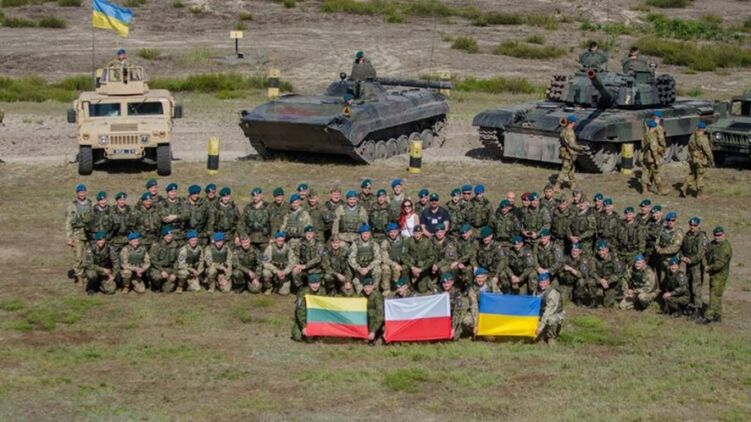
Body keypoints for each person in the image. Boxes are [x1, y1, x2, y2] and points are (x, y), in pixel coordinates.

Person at [697, 226, 732, 324]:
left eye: (719, 235)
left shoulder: (726, 247)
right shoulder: (712, 244)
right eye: (715, 235)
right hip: (713, 274)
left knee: (714, 296)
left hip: (720, 276)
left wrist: (709, 268)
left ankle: (708, 316)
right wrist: (705, 265)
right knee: (716, 295)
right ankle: (717, 315)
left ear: (724, 234)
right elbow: (705, 254)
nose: (717, 237)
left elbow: (720, 263)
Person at [681, 217, 708, 318]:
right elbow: (682, 247)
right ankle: (690, 306)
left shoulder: (702, 237)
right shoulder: (687, 235)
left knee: (696, 287)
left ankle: (698, 308)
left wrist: (691, 260)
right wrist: (683, 257)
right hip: (688, 265)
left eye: (695, 225)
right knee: (688, 285)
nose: (692, 227)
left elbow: (701, 253)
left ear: (699, 225)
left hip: (697, 266)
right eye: (691, 225)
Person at [65, 183, 92, 285]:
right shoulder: (72, 206)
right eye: (80, 192)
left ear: (86, 192)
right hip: (77, 233)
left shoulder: (90, 204)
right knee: (78, 256)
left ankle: (89, 275)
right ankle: (79, 276)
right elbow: (68, 222)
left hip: (89, 234)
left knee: (90, 256)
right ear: (77, 193)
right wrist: (69, 238)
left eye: (83, 192)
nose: (82, 194)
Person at [681, 121, 714, 199]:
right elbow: (707, 150)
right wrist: (711, 159)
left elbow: (689, 147)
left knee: (692, 174)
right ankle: (700, 194)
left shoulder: (692, 136)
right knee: (700, 175)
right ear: (703, 129)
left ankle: (684, 187)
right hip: (700, 159)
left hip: (693, 158)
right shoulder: (703, 138)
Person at [291, 273, 327, 342]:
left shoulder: (323, 291)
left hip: (317, 317)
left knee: (315, 336)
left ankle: (317, 333)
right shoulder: (303, 292)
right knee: (297, 336)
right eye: (312, 283)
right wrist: (304, 326)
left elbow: (324, 307)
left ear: (320, 283)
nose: (315, 285)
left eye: (317, 283)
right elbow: (300, 310)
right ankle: (300, 327)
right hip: (305, 316)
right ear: (309, 284)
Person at [261, 231, 297, 295]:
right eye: (278, 240)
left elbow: (293, 262)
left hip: (284, 271)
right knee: (266, 273)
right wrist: (276, 271)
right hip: (274, 270)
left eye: (282, 240)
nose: (280, 242)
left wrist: (284, 272)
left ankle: (279, 285)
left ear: (284, 240)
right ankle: (269, 287)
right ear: (275, 240)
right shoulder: (270, 248)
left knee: (284, 293)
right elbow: (265, 262)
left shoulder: (288, 248)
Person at [467, 267, 499, 338]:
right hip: (478, 311)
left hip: (490, 312)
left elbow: (499, 297)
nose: (480, 280)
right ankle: (476, 331)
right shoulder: (472, 288)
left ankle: (487, 330)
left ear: (486, 277)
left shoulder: (491, 284)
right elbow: (474, 307)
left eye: (482, 277)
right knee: (466, 320)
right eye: (478, 277)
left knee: (491, 339)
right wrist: (475, 325)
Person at [403, 225, 436, 294]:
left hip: (422, 266)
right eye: (415, 233)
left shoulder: (427, 242)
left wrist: (421, 269)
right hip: (412, 265)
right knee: (404, 268)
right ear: (413, 233)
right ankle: (408, 285)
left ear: (422, 233)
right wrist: (412, 267)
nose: (417, 235)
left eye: (419, 233)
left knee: (422, 290)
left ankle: (427, 280)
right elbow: (403, 255)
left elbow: (432, 257)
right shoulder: (408, 241)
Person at [555, 114, 585, 191]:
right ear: (573, 122)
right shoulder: (570, 132)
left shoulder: (564, 130)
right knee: (565, 169)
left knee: (571, 168)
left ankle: (573, 184)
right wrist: (581, 148)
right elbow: (572, 144)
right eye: (574, 122)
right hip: (569, 153)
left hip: (565, 152)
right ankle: (557, 185)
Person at [592, 240, 625, 308]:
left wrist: (608, 281)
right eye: (599, 250)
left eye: (603, 250)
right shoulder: (595, 258)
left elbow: (618, 274)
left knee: (607, 305)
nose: (600, 252)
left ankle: (616, 297)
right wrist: (600, 280)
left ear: (607, 250)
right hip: (600, 281)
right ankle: (593, 298)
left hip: (611, 283)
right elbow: (592, 271)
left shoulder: (614, 259)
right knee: (591, 281)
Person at [292, 225, 325, 291]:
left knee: (314, 287)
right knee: (294, 272)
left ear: (314, 234)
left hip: (314, 269)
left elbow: (318, 259)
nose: (309, 235)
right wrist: (297, 265)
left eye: (311, 233)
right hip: (303, 268)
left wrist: (305, 266)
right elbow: (296, 255)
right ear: (305, 234)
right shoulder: (300, 243)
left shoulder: (319, 244)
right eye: (307, 233)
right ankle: (300, 288)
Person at [536, 272, 564, 345]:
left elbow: (549, 311)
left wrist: (541, 326)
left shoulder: (553, 293)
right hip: (542, 312)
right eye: (540, 283)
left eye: (544, 283)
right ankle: (543, 332)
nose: (541, 285)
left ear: (548, 282)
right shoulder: (537, 291)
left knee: (551, 319)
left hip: (555, 313)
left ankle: (551, 337)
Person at [148, 226, 179, 292]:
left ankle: (165, 284)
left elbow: (177, 261)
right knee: (157, 277)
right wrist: (162, 270)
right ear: (163, 236)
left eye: (170, 236)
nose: (169, 238)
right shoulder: (156, 245)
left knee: (168, 290)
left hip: (169, 268)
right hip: (158, 268)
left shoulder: (175, 245)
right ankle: (156, 286)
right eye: (167, 236)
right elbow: (153, 259)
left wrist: (174, 273)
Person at [641, 120, 667, 195]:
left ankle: (645, 190)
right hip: (652, 158)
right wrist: (657, 160)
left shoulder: (645, 135)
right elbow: (654, 149)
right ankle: (660, 190)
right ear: (653, 128)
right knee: (656, 173)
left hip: (645, 156)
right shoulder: (652, 136)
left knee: (645, 173)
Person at [440, 272, 469, 341]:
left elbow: (457, 311)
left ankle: (458, 329)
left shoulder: (457, 293)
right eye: (444, 283)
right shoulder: (439, 293)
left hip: (454, 318)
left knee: (454, 337)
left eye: (448, 283)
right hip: (443, 318)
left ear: (452, 282)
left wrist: (453, 328)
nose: (446, 285)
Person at [379, 222, 404, 294]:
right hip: (388, 262)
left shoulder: (403, 239)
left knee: (398, 269)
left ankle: (396, 285)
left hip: (400, 261)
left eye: (394, 232)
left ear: (398, 231)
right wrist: (394, 264)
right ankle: (386, 288)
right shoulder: (385, 242)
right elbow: (384, 258)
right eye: (391, 232)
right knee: (385, 269)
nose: (393, 234)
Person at [361, 276, 384, 344]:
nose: (367, 289)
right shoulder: (362, 294)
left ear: (373, 287)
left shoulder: (377, 296)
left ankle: (377, 336)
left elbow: (380, 314)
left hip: (378, 322)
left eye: (369, 287)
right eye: (365, 287)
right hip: (368, 319)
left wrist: (373, 331)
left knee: (371, 313)